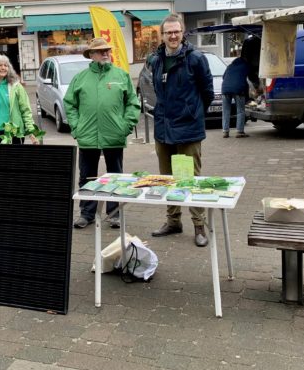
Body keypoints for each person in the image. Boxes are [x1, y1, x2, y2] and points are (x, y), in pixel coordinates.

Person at [150, 15, 214, 247]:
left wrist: (193, 112)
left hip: (187, 129)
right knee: (167, 179)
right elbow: (158, 91)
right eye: (169, 33)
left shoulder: (195, 59)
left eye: (177, 31)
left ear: (183, 33)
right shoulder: (156, 60)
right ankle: (173, 221)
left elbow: (207, 91)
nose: (173, 36)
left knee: (189, 179)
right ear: (163, 35)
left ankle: (199, 225)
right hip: (163, 129)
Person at [64, 38, 141, 229]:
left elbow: (133, 103)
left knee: (115, 175)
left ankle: (114, 213)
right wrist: (77, 127)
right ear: (91, 55)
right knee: (87, 176)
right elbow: (70, 104)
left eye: (107, 49)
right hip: (87, 136)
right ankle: (87, 213)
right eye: (100, 51)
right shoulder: (80, 78)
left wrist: (125, 126)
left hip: (114, 135)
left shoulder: (121, 76)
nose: (105, 53)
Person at [220, 38, 260, 138]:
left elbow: (224, 77)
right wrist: (257, 87)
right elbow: (253, 78)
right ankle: (239, 132)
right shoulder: (246, 65)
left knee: (226, 111)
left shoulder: (230, 66)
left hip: (225, 89)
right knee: (240, 110)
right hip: (238, 89)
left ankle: (225, 131)